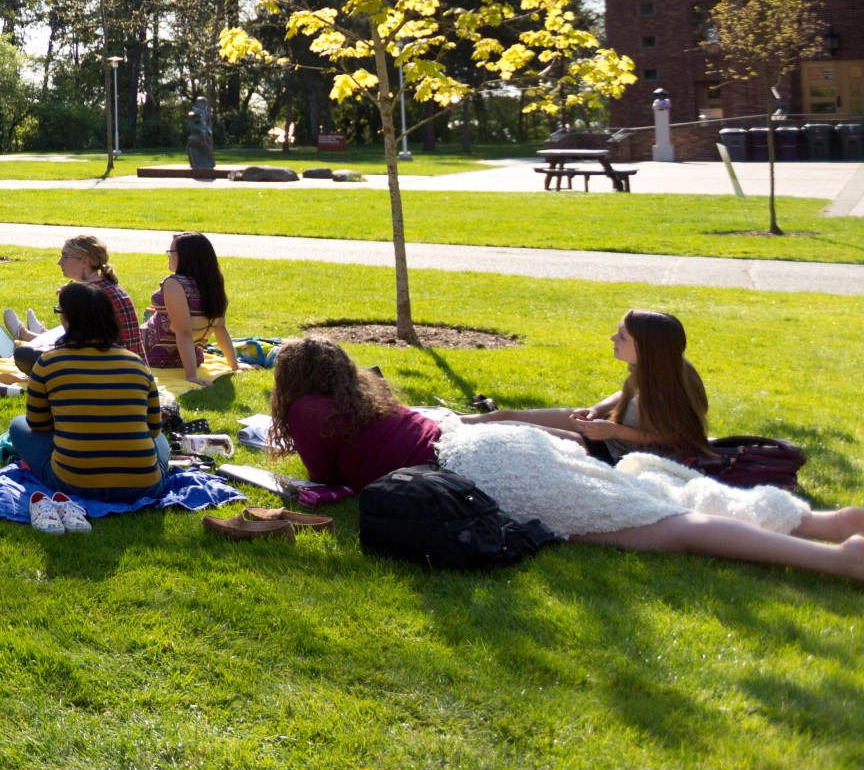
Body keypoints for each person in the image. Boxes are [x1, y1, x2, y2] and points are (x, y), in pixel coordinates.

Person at [269, 332, 864, 582]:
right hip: (496, 445)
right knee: (652, 497)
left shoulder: (307, 412)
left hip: (484, 469)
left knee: (664, 528)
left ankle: (836, 561)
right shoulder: (367, 398)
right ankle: (821, 523)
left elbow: (323, 476)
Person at [464, 310, 711, 463]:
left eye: (622, 336)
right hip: (603, 432)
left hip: (612, 452)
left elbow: (675, 437)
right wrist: (596, 410)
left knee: (510, 429)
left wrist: (614, 431)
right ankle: (442, 421)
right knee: (503, 416)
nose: (613, 339)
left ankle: (439, 435)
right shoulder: (651, 366)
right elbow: (627, 392)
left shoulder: (669, 388)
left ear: (646, 348)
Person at [5, 281, 168, 501]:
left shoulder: (47, 363)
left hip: (72, 484)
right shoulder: (137, 364)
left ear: (68, 318)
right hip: (144, 486)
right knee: (161, 441)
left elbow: (38, 426)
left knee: (18, 425)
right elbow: (154, 430)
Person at [267, 337, 444, 490]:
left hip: (426, 472)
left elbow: (323, 477)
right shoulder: (363, 389)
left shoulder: (305, 410)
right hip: (441, 440)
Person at [10, 235, 140, 358]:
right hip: (128, 363)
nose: (59, 262)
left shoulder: (91, 295)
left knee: (31, 357)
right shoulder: (106, 285)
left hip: (111, 367)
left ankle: (28, 335)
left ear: (85, 261)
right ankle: (39, 334)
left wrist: (70, 301)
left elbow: (78, 343)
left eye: (65, 256)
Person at [142, 231, 237, 387]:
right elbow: (220, 328)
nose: (168, 255)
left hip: (150, 353)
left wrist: (191, 377)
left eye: (171, 252)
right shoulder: (212, 283)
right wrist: (235, 366)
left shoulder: (174, 283)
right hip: (194, 357)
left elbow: (183, 331)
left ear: (186, 256)